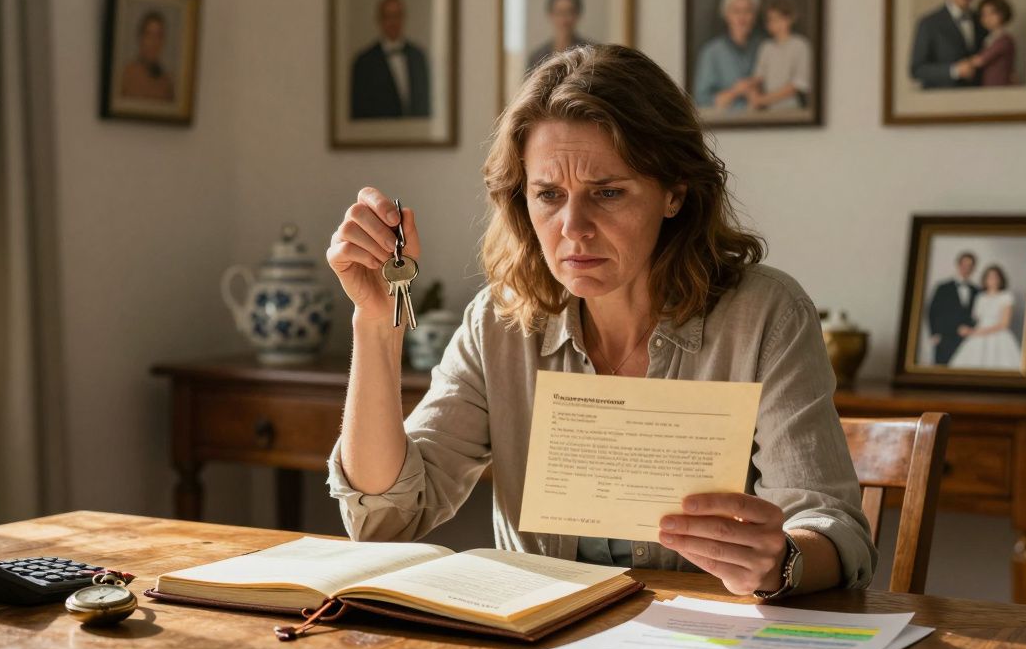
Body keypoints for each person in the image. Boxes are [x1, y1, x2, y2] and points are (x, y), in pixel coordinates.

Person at [325, 45, 876, 598]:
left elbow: (835, 530)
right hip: (541, 638)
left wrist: (782, 560)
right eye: (549, 195)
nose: (574, 226)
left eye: (607, 192)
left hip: (708, 641)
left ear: (674, 193)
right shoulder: (499, 322)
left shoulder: (765, 317)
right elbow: (385, 517)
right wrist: (374, 322)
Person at [350, 0, 431, 119]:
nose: (393, 22)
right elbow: (360, 113)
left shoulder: (418, 57)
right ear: (379, 20)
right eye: (388, 17)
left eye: (397, 16)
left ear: (403, 18)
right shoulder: (364, 63)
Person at [692, 0, 765, 111]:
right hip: (724, 122)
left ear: (754, 16)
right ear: (726, 15)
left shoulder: (765, 47)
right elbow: (701, 100)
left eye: (747, 11)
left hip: (766, 120)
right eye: (736, 11)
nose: (742, 17)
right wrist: (736, 91)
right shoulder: (711, 52)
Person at [909, 0, 983, 89]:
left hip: (978, 96)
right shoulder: (929, 23)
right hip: (941, 97)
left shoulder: (982, 21)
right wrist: (954, 71)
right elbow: (917, 70)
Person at [746, 0, 811, 111]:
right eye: (771, 20)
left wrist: (763, 100)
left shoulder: (800, 45)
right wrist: (751, 91)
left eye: (780, 19)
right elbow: (758, 77)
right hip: (770, 111)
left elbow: (798, 84)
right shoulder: (766, 47)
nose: (776, 24)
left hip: (793, 109)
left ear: (790, 19)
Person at [950, 265, 1022, 370]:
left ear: (1000, 279)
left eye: (995, 277)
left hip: (998, 334)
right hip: (978, 334)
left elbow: (1004, 324)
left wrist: (977, 332)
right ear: (985, 279)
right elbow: (976, 319)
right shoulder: (980, 297)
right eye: (989, 277)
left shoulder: (1006, 296)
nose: (992, 280)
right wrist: (969, 330)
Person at [926, 252, 978, 365]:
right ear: (958, 265)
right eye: (964, 265)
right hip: (944, 338)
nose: (966, 269)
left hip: (968, 340)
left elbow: (979, 315)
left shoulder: (977, 291)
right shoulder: (943, 288)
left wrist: (971, 330)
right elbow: (932, 311)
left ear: (973, 268)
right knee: (942, 370)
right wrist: (934, 333)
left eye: (969, 266)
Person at [527, 0, 594, 74]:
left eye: (569, 12)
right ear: (550, 15)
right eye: (559, 12)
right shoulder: (537, 57)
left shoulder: (591, 54)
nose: (564, 19)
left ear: (577, 15)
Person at [119, 11, 175, 101]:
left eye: (159, 36)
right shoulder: (126, 76)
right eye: (149, 35)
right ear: (140, 38)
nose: (154, 42)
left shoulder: (167, 83)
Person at [969, 0, 1017, 87]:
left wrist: (965, 64)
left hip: (1000, 85)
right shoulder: (989, 38)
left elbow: (981, 60)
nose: (988, 18)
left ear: (1002, 14)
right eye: (984, 14)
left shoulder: (1005, 40)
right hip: (989, 84)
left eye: (992, 13)